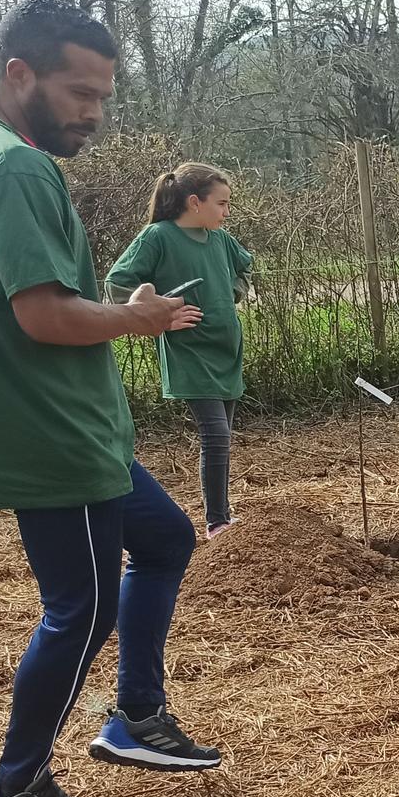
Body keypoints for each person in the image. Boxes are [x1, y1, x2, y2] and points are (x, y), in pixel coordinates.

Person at [0, 0, 219, 797]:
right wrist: (137, 317)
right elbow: (44, 315)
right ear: (21, 75)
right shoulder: (15, 166)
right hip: (52, 430)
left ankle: (135, 718)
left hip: (65, 424)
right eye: (79, 92)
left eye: (103, 96)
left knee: (163, 539)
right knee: (78, 610)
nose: (94, 113)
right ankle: (16, 790)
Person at [106, 163, 253, 538]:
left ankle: (223, 515)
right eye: (221, 203)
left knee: (224, 434)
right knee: (216, 434)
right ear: (194, 202)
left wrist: (232, 292)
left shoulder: (221, 240)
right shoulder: (157, 237)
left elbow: (244, 270)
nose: (226, 211)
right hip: (189, 352)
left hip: (226, 350)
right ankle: (217, 521)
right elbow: (118, 285)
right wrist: (162, 318)